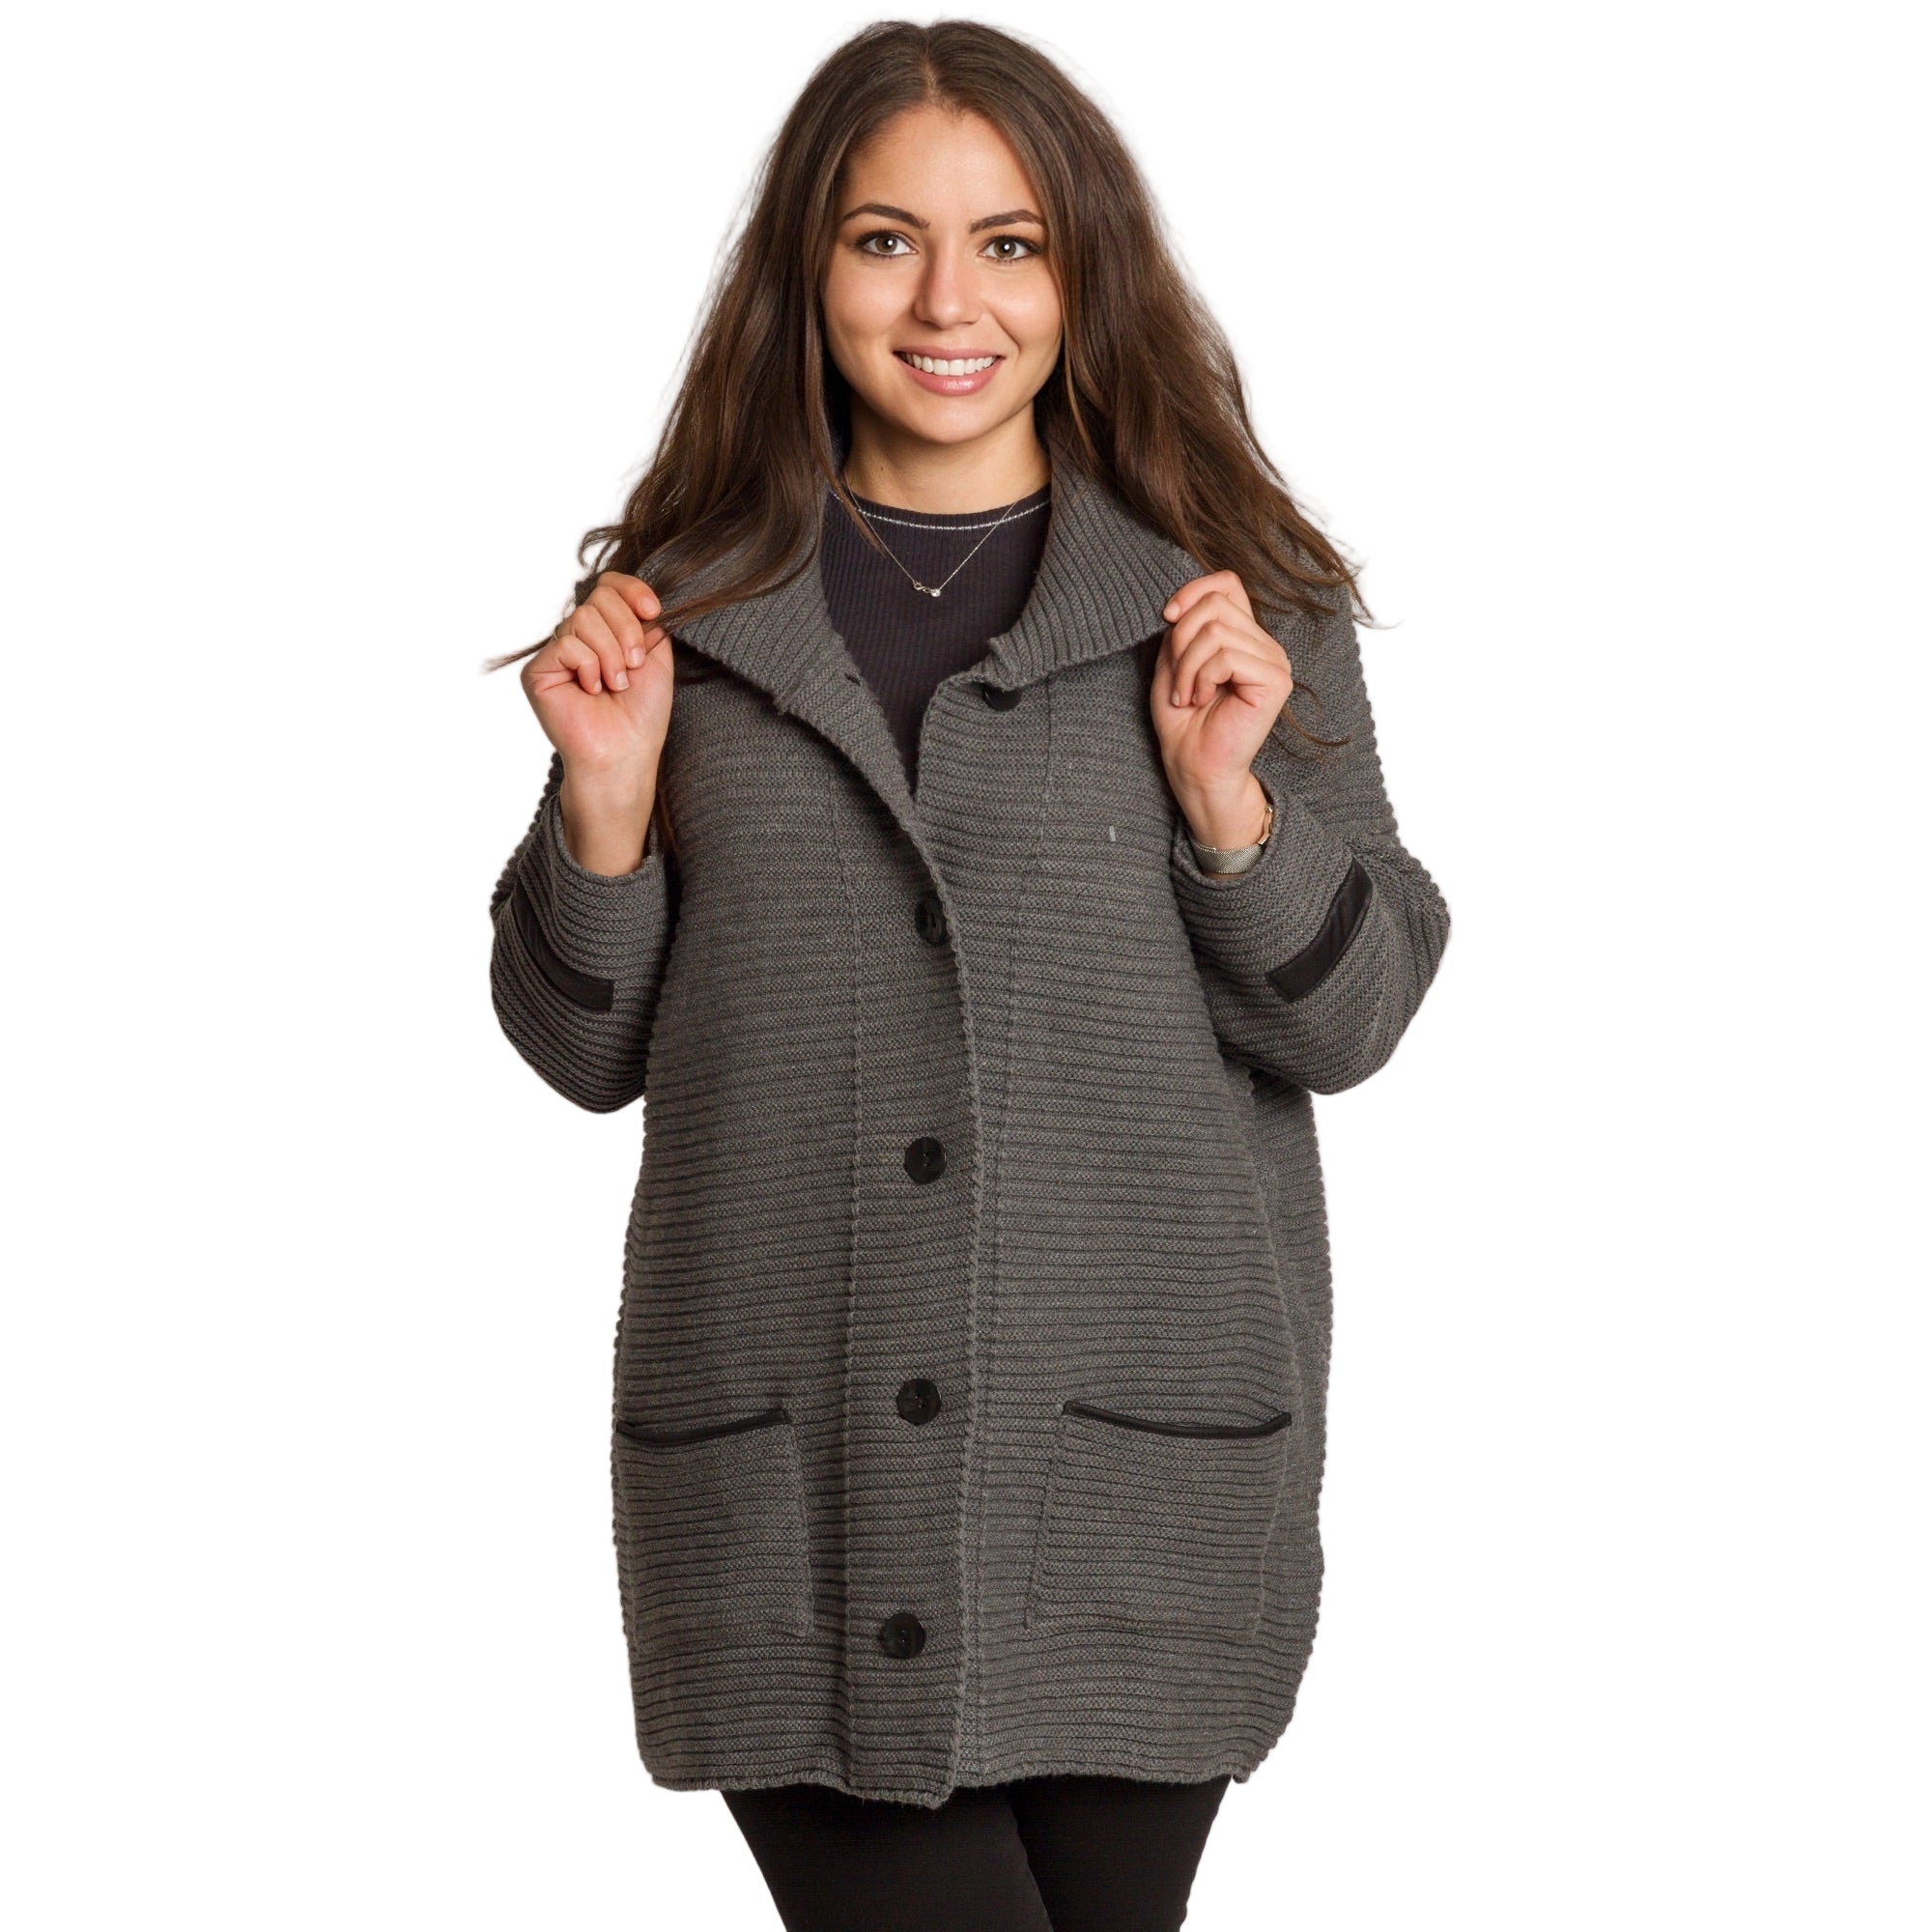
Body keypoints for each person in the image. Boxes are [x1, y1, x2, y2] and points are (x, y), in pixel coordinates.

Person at [485, 19, 1451, 1930]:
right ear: (806, 269)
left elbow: (1354, 1016)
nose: (950, 303)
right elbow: (580, 1048)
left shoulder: (1235, 602)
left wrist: (1231, 806)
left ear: (1085, 271)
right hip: (796, 1496)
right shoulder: (686, 613)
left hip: (1139, 1490)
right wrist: (604, 807)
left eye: (1010, 243)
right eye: (884, 241)